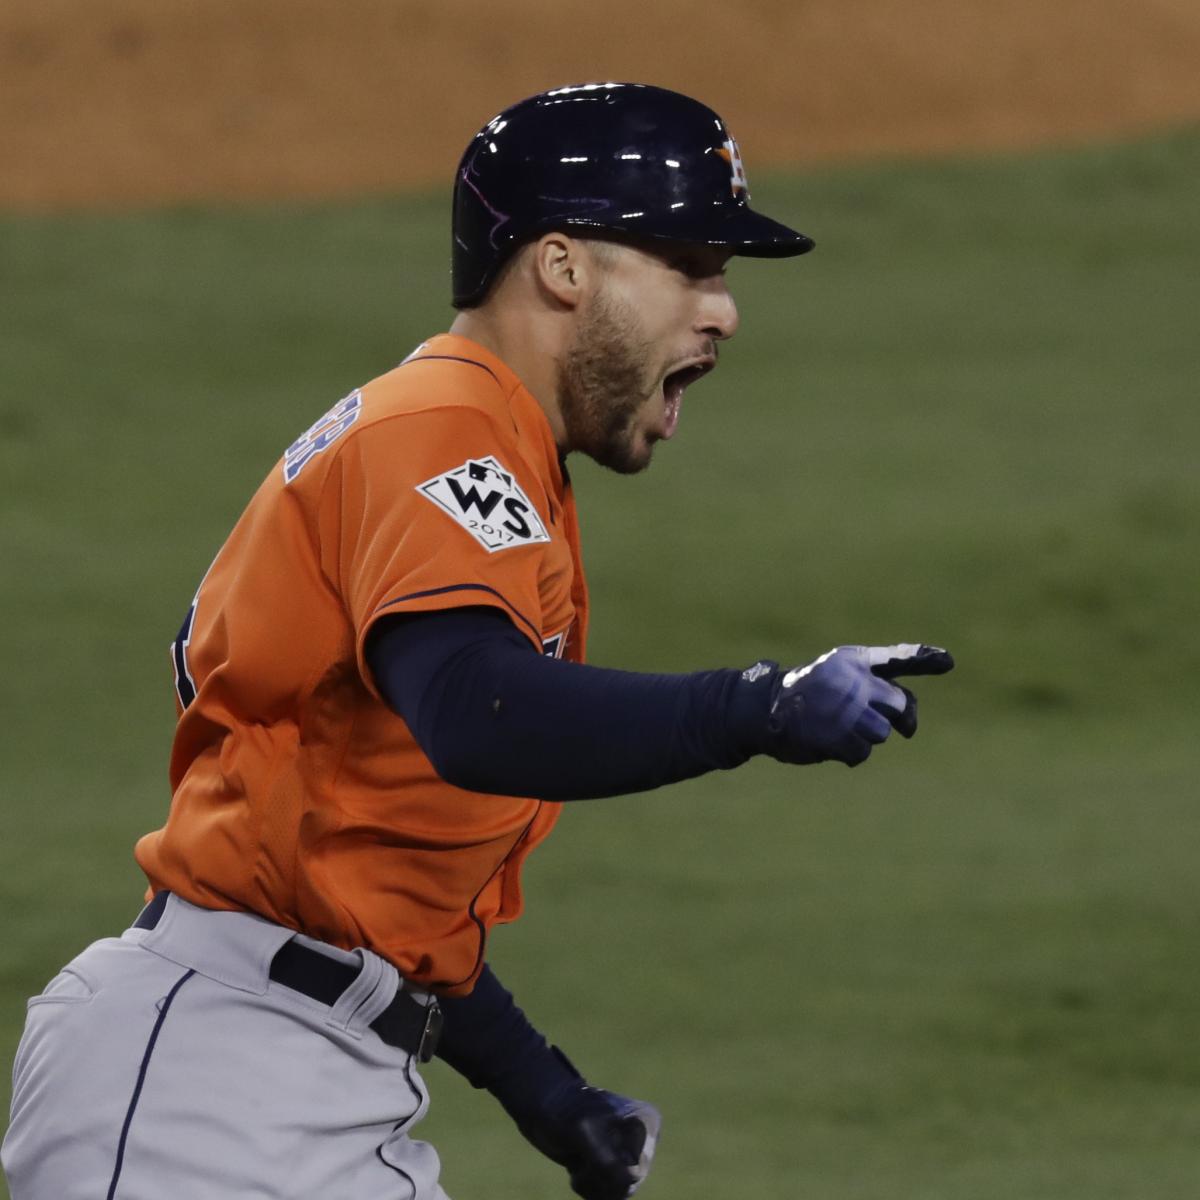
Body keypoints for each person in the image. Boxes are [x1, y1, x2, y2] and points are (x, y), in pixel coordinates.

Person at [2, 82, 953, 1200]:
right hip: (209, 1085)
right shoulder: (440, 432)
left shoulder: (489, 463)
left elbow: (376, 876)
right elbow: (474, 710)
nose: (723, 310)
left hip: (303, 1083)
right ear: (563, 266)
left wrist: (548, 1097)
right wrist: (757, 706)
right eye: (690, 264)